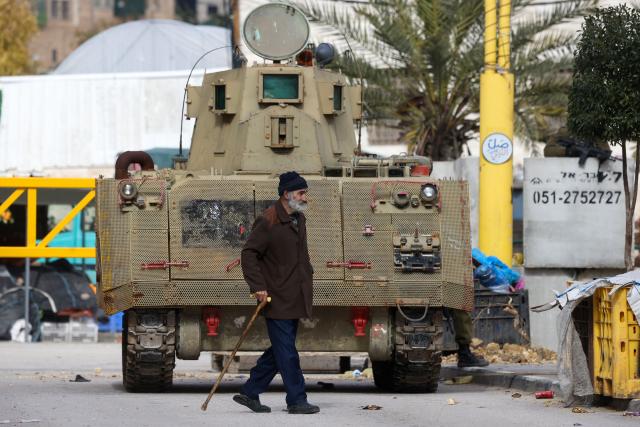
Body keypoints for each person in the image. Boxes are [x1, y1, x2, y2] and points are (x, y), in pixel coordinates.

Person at [233, 171, 319, 415]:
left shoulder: (298, 219)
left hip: (295, 294)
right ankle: (297, 400)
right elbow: (248, 254)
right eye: (302, 193)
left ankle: (250, 391)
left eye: (305, 193)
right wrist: (257, 286)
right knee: (288, 352)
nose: (305, 198)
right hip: (277, 297)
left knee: (282, 348)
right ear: (286, 194)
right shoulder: (268, 220)